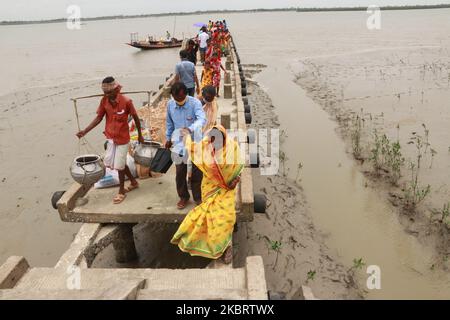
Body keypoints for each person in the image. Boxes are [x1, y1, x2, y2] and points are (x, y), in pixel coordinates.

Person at [170, 125, 243, 263]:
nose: (214, 144)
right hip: (210, 187)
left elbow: (237, 170)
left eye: (217, 141)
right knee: (206, 213)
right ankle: (208, 242)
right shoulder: (205, 146)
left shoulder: (232, 148)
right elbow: (193, 148)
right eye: (212, 140)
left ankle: (225, 246)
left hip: (226, 189)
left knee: (226, 216)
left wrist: (234, 181)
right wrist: (185, 136)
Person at [76, 77, 143, 204]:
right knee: (119, 164)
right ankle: (133, 182)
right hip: (111, 138)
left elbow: (136, 118)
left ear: (116, 89)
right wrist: (85, 131)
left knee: (119, 166)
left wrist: (140, 135)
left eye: (109, 92)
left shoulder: (127, 101)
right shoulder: (104, 101)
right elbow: (99, 118)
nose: (107, 95)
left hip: (123, 138)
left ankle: (121, 191)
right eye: (105, 93)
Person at [165, 82, 206, 209]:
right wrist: (168, 138)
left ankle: (197, 197)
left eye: (181, 99)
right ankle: (183, 196)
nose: (179, 101)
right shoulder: (170, 105)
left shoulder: (195, 103)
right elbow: (169, 123)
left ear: (186, 94)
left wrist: (190, 129)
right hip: (178, 143)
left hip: (195, 141)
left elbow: (202, 119)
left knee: (197, 171)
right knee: (180, 171)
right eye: (176, 98)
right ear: (172, 96)